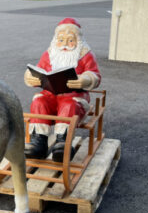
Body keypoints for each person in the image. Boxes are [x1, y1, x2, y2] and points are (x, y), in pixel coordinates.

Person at [24, 18, 101, 162]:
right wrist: (30, 77)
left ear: (78, 40)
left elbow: (95, 75)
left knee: (69, 105)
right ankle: (38, 142)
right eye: (61, 40)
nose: (65, 44)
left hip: (74, 96)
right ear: (55, 40)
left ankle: (63, 142)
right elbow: (38, 69)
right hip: (50, 95)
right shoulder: (49, 54)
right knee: (39, 101)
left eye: (70, 41)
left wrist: (85, 79)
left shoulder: (85, 55)